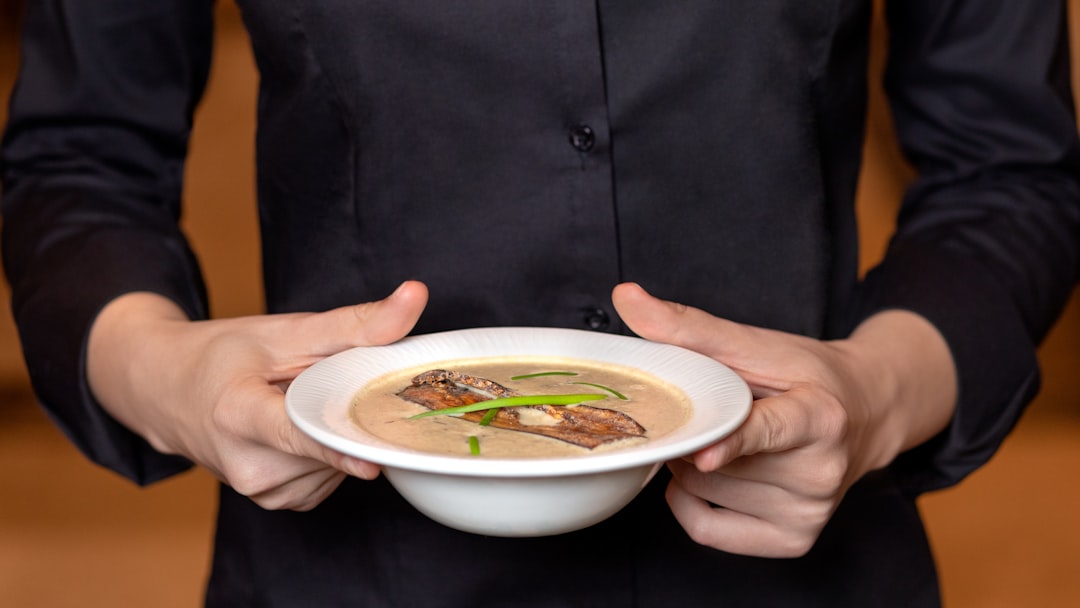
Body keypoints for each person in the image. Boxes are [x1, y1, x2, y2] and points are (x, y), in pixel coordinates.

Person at [2, 1, 1078, 606]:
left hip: (806, 569)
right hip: (345, 575)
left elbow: (1012, 169)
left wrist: (883, 390)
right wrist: (160, 368)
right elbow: (78, 159)